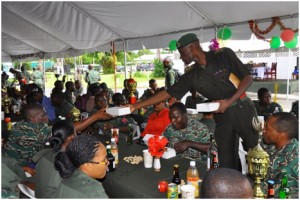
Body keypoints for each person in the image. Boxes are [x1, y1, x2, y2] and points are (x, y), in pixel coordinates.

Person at [128, 33, 258, 170]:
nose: (181, 57)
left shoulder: (223, 55)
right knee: (224, 160)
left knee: (256, 153)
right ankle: (231, 189)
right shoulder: (191, 75)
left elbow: (247, 78)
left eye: (182, 53)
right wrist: (135, 105)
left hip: (242, 108)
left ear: (192, 47)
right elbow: (168, 93)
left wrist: (229, 101)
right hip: (222, 116)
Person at [54, 134, 108, 198]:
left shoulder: (64, 181)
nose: (108, 162)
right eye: (104, 160)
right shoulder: (95, 193)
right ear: (88, 165)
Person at [261, 112, 298, 198]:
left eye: (267, 127)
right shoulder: (274, 145)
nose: (263, 129)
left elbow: (280, 196)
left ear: (281, 134)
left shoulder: (290, 165)